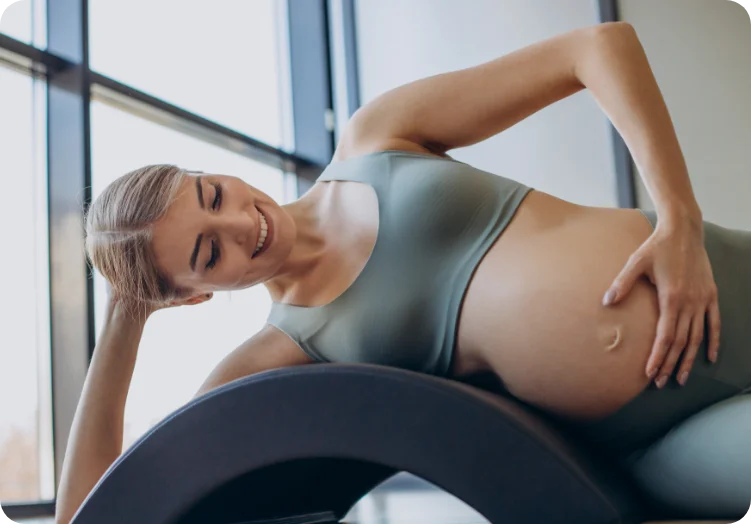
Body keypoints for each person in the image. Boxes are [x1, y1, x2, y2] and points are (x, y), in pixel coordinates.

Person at [56, 22, 750, 523]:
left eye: (212, 195)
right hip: (664, 431)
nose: (243, 225)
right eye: (209, 254)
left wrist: (677, 221)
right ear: (196, 296)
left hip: (727, 275)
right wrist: (126, 313)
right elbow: (97, 515)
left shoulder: (373, 140)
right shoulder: (281, 351)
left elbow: (596, 48)